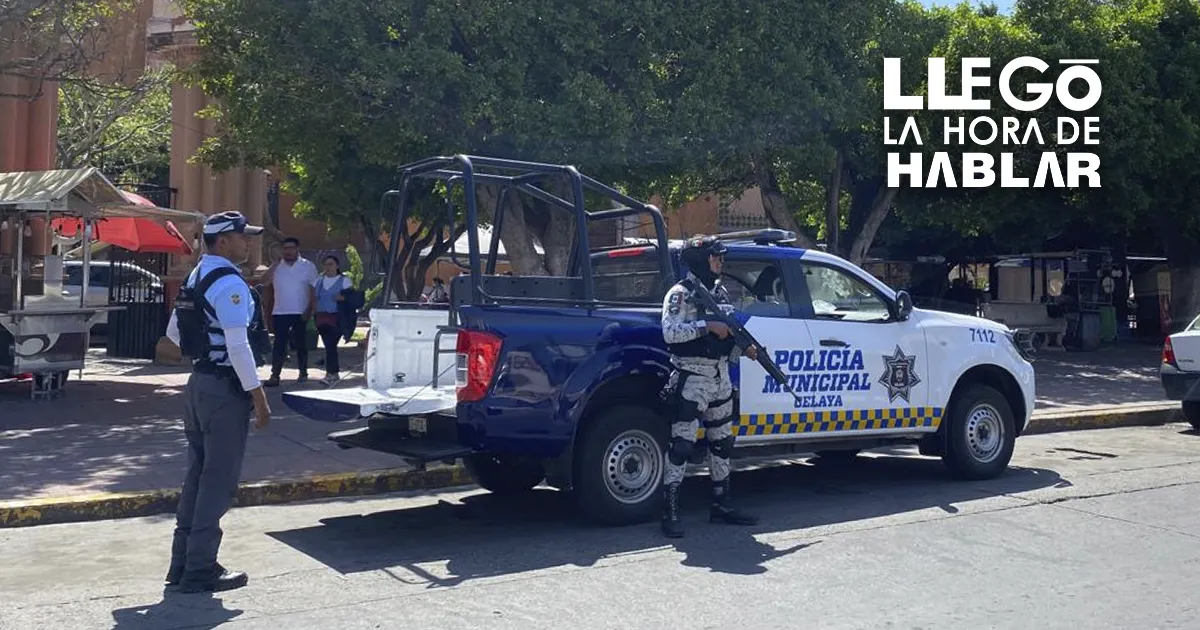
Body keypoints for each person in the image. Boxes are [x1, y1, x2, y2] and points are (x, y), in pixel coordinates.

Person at [164, 211, 271, 593]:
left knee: (197, 476)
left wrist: (206, 354)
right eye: (243, 237)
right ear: (223, 242)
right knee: (218, 481)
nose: (249, 243)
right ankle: (200, 569)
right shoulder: (229, 283)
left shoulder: (196, 277)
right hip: (224, 391)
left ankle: (181, 563)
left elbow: (174, 333)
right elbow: (239, 347)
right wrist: (259, 397)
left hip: (198, 385)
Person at [659, 235, 760, 538]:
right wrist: (706, 326)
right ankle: (670, 511)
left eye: (720, 257)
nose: (720, 262)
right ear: (700, 260)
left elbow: (729, 330)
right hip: (692, 378)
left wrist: (743, 347)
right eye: (715, 257)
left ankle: (721, 504)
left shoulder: (720, 291)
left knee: (722, 443)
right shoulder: (680, 293)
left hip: (720, 377)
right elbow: (670, 333)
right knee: (682, 445)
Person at [263, 237, 318, 386]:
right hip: (280, 311)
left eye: (291, 248)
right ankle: (275, 375)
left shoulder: (308, 266)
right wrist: (274, 264)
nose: (288, 251)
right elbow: (264, 281)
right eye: (285, 248)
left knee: (301, 344)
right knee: (279, 344)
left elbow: (313, 289)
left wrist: (310, 308)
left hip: (300, 311)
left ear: (297, 249)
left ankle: (303, 372)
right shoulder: (277, 267)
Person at [312, 254, 349, 386]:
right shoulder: (319, 281)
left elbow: (351, 299)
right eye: (326, 264)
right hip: (322, 317)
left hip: (337, 317)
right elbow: (314, 298)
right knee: (329, 345)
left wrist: (343, 298)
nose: (328, 267)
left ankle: (331, 373)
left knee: (330, 345)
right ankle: (333, 373)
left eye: (331, 264)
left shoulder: (344, 281)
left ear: (337, 266)